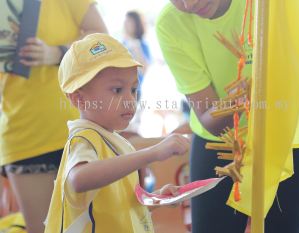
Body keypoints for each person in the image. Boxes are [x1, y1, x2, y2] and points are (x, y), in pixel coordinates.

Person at [156, 1, 299, 233]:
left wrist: (281, 83)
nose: (189, 3)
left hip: (291, 135)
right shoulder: (171, 23)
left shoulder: (276, 6)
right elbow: (210, 121)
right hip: (223, 143)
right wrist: (245, 99)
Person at [44, 33, 190, 233]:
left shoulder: (114, 141)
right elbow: (78, 179)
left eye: (133, 89)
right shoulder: (85, 138)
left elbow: (122, 205)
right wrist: (152, 153)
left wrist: (156, 198)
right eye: (117, 90)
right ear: (79, 99)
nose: (130, 99)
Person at [0, 1, 107, 233]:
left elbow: (102, 42)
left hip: (81, 128)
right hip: (23, 135)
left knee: (99, 226)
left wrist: (58, 52)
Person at [123, 10, 152, 98]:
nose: (125, 23)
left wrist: (135, 47)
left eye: (129, 21)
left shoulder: (142, 45)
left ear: (137, 24)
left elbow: (143, 70)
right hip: (118, 91)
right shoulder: (121, 44)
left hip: (134, 92)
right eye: (125, 20)